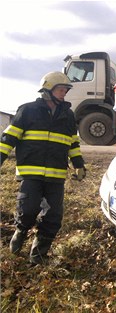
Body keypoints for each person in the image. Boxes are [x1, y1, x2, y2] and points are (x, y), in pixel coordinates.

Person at [0, 71, 86, 265]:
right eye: (61, 89)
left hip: (56, 175)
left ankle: (37, 257)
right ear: (48, 90)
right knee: (28, 210)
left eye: (65, 90)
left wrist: (79, 165)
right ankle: (21, 231)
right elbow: (8, 138)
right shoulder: (28, 111)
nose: (64, 93)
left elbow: (72, 143)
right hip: (30, 172)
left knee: (53, 216)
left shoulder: (68, 115)